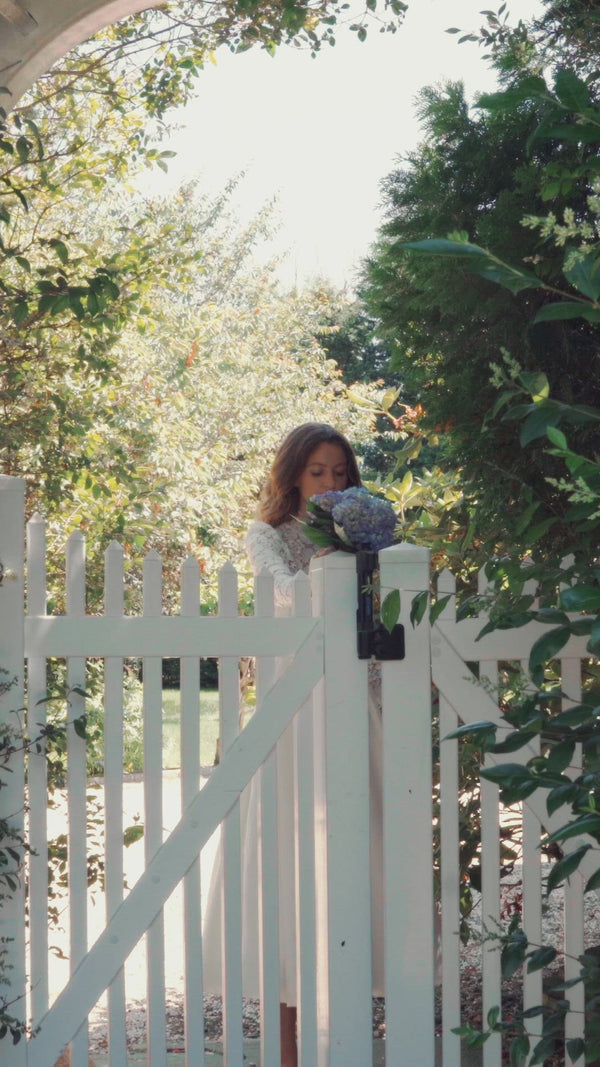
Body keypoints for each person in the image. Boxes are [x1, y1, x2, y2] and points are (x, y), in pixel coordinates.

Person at [202, 423, 383, 1067]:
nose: (330, 484)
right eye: (317, 472)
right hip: (291, 709)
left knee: (361, 859)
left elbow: (379, 618)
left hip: (354, 706)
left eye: (339, 472)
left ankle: (353, 1039)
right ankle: (286, 1051)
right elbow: (282, 596)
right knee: (281, 868)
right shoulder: (268, 535)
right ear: (293, 476)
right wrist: (330, 559)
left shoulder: (370, 540)